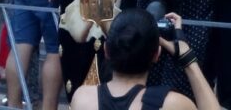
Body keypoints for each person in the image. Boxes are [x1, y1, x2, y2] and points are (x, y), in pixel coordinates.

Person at [70, 9, 220, 110]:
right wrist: (188, 60)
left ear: (106, 51)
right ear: (156, 54)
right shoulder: (170, 104)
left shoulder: (83, 98)